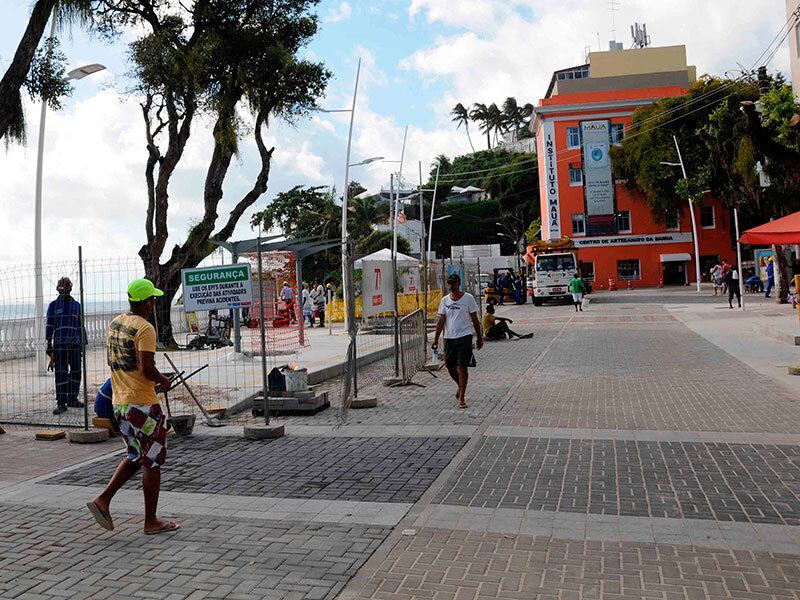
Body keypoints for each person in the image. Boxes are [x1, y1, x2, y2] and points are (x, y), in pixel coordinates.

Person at [87, 278, 178, 535]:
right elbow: (146, 368)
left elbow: (123, 364)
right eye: (153, 299)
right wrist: (163, 380)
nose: (154, 303)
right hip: (143, 404)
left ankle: (102, 500)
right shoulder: (145, 328)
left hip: (120, 403)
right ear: (147, 302)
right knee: (153, 460)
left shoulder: (116, 323)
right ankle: (151, 521)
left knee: (136, 455)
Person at [432, 273, 483, 409]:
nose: (451, 286)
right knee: (450, 366)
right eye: (449, 283)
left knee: (462, 366)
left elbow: (475, 319)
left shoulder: (468, 299)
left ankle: (462, 397)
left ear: (459, 284)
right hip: (449, 337)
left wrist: (479, 337)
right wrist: (436, 338)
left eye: (453, 283)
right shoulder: (445, 301)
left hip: (464, 336)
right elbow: (441, 320)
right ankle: (460, 387)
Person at [46, 277, 85, 415]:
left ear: (70, 289)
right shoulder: (53, 306)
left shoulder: (77, 306)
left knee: (76, 372)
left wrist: (83, 344)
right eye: (61, 288)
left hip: (74, 344)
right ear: (57, 289)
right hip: (59, 345)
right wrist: (48, 345)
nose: (63, 291)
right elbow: (49, 326)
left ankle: (72, 399)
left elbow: (81, 326)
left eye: (66, 288)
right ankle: (61, 403)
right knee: (60, 373)